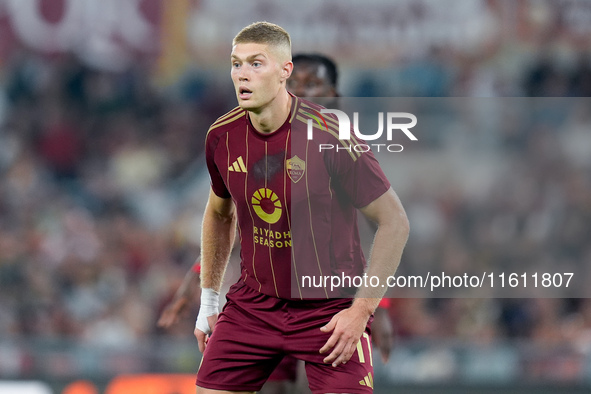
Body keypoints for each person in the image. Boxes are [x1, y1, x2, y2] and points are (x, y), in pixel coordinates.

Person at [194, 21, 409, 393]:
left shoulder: (331, 133)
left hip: (329, 311)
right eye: (236, 64)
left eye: (256, 64)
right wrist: (208, 300)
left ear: (285, 72)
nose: (242, 75)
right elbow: (218, 212)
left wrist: (361, 311)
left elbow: (395, 222)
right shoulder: (221, 136)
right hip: (253, 307)